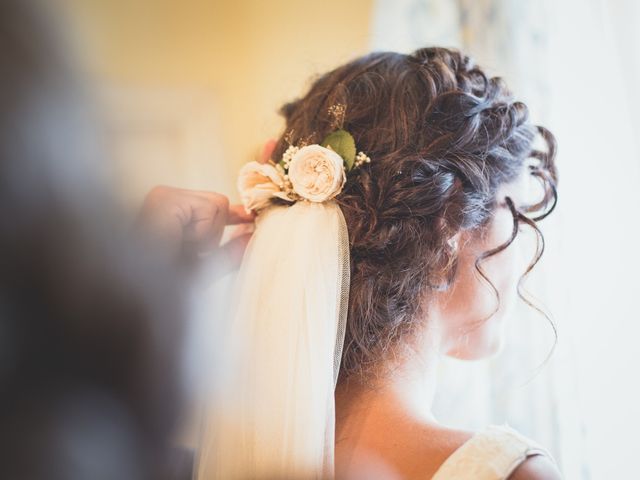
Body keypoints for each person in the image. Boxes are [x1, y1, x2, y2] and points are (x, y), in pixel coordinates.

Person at [195, 47, 562, 479]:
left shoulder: (245, 455)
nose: (520, 262)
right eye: (515, 215)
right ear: (449, 234)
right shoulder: (510, 472)